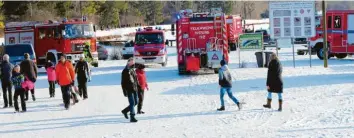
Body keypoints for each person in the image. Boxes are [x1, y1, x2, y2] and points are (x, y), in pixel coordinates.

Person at [121, 58, 139, 123]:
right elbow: (123, 83)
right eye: (132, 63)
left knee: (136, 102)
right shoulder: (125, 71)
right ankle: (132, 117)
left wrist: (138, 87)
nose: (133, 64)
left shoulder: (132, 70)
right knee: (132, 103)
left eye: (133, 63)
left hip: (134, 89)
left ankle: (125, 111)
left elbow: (135, 80)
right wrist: (124, 91)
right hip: (129, 89)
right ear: (128, 63)